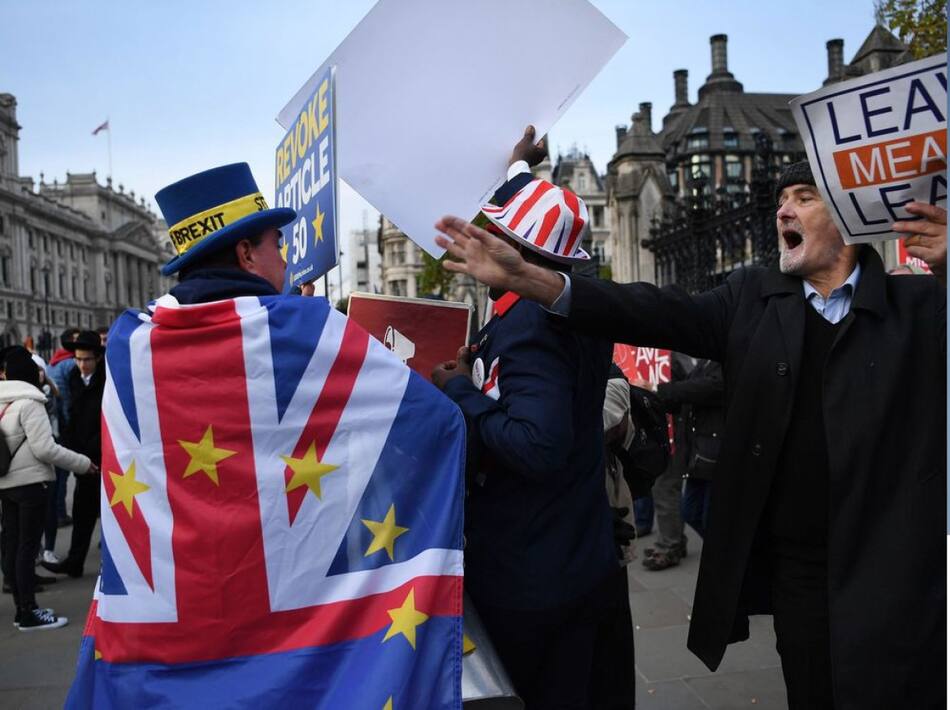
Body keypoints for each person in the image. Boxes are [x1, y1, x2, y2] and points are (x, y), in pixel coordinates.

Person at [435, 146, 947, 710]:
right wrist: (537, 282)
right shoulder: (752, 297)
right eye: (779, 199)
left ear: (850, 219)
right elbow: (648, 308)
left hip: (890, 559)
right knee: (813, 688)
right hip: (798, 565)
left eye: (804, 198)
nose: (783, 212)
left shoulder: (919, 305)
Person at [0, 346, 96, 630]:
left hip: (6, 483)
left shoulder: (4, 402)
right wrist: (83, 463)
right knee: (27, 549)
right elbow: (45, 448)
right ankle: (28, 611)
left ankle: (22, 609)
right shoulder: (30, 403)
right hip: (30, 485)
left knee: (15, 546)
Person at [42, 331, 105, 578]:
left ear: (97, 359)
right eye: (78, 359)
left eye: (87, 359)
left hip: (106, 456)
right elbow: (71, 415)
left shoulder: (108, 379)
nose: (82, 364)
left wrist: (92, 449)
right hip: (83, 459)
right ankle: (75, 562)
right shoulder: (73, 377)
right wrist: (71, 450)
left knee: (113, 514)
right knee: (82, 512)